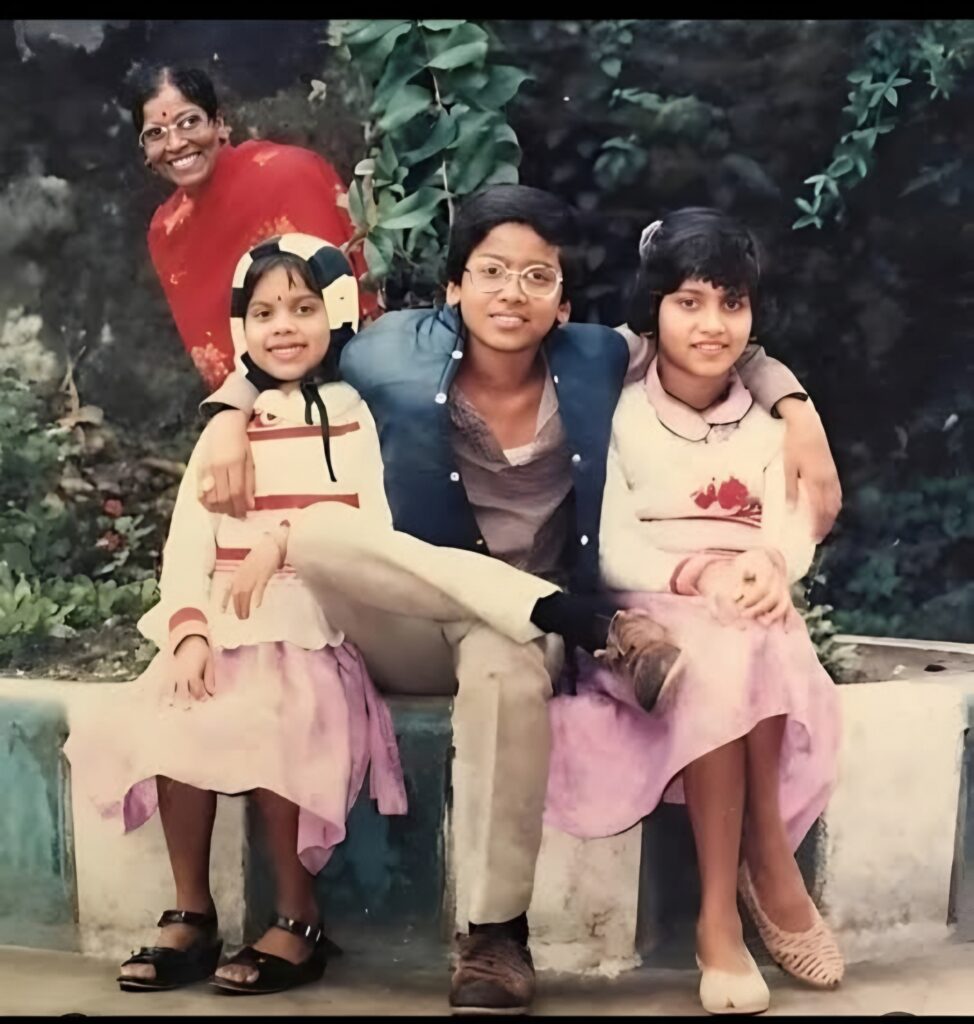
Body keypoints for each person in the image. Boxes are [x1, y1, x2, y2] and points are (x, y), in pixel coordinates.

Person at [197, 185, 842, 1014]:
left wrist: (798, 410)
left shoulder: (596, 356)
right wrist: (226, 411)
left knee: (505, 659)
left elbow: (707, 336)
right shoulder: (389, 349)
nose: (513, 293)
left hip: (508, 637)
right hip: (407, 619)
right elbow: (286, 349)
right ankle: (578, 619)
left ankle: (495, 936)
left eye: (538, 277)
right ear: (455, 288)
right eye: (492, 272)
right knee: (316, 533)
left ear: (563, 300)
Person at [63, 234, 405, 996]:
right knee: (179, 717)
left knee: (275, 719)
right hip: (221, 623)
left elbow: (374, 530)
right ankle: (191, 909)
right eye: (264, 312)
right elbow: (189, 542)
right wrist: (188, 632)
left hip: (308, 624)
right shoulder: (227, 428)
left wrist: (289, 541)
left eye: (303, 308)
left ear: (336, 314)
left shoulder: (354, 418)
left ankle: (296, 912)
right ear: (242, 328)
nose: (284, 326)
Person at [544, 208, 844, 1015]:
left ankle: (762, 860)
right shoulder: (621, 409)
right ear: (654, 308)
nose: (712, 324)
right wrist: (695, 572)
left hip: (745, 601)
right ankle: (727, 906)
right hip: (657, 608)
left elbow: (795, 517)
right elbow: (606, 544)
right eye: (689, 302)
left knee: (755, 630)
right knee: (717, 649)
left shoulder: (772, 413)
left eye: (731, 303)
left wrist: (774, 565)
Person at [126, 63, 375, 390]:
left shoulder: (288, 175)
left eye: (189, 122)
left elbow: (350, 304)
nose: (175, 144)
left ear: (219, 124)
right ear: (145, 151)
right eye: (155, 133)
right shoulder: (166, 230)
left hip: (347, 380)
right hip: (252, 401)